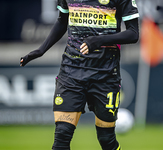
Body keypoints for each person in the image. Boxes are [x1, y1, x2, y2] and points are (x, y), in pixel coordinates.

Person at [20, 0, 139, 149]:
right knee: (62, 137)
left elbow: (133, 34)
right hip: (71, 70)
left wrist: (100, 40)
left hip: (105, 74)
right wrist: (41, 50)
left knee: (106, 140)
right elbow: (62, 21)